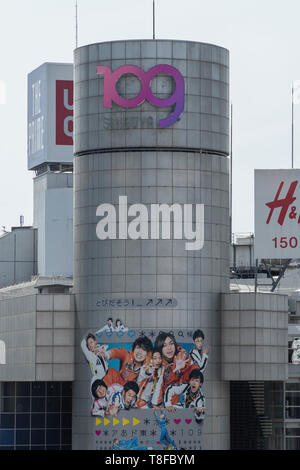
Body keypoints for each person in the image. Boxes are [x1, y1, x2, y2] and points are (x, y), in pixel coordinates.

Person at [154, 332, 199, 401]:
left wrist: (183, 368)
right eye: (164, 345)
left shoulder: (181, 356)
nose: (169, 348)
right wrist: (176, 371)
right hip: (168, 395)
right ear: (160, 349)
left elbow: (194, 368)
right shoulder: (158, 363)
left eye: (171, 344)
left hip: (184, 387)